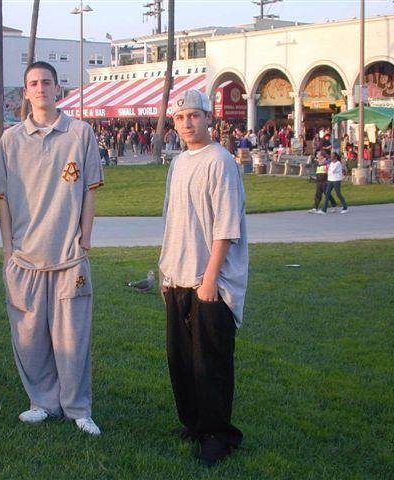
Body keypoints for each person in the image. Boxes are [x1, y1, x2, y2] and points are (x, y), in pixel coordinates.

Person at [0, 61, 103, 436]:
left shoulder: (80, 133)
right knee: (29, 338)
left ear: (58, 89)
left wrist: (85, 239)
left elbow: (90, 190)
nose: (40, 88)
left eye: (47, 82)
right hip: (25, 258)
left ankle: (77, 408)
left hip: (69, 258)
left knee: (73, 339)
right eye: (33, 83)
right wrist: (8, 251)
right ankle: (42, 402)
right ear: (26, 92)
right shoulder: (11, 140)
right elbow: (3, 200)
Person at [158, 89, 248, 467]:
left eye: (193, 116)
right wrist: (166, 271)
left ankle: (216, 434)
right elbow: (173, 220)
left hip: (209, 281)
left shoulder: (220, 161)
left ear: (208, 118)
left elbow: (225, 227)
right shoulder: (179, 163)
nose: (187, 124)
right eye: (180, 118)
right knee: (181, 360)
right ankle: (193, 423)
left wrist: (210, 279)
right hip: (178, 276)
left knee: (210, 362)